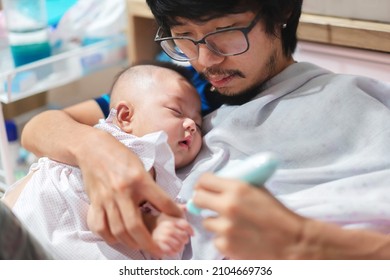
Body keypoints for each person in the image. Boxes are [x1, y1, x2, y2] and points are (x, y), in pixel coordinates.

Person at [21, 0, 390, 259]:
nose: (206, 60)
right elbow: (41, 126)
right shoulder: (186, 88)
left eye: (225, 32)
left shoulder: (354, 99)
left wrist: (304, 241)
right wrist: (97, 151)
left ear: (281, 10)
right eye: (184, 35)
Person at [2, 63, 202, 259]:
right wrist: (151, 224)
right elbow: (101, 213)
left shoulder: (159, 170)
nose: (192, 124)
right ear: (125, 116)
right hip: (37, 218)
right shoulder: (136, 148)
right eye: (176, 112)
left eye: (200, 125)